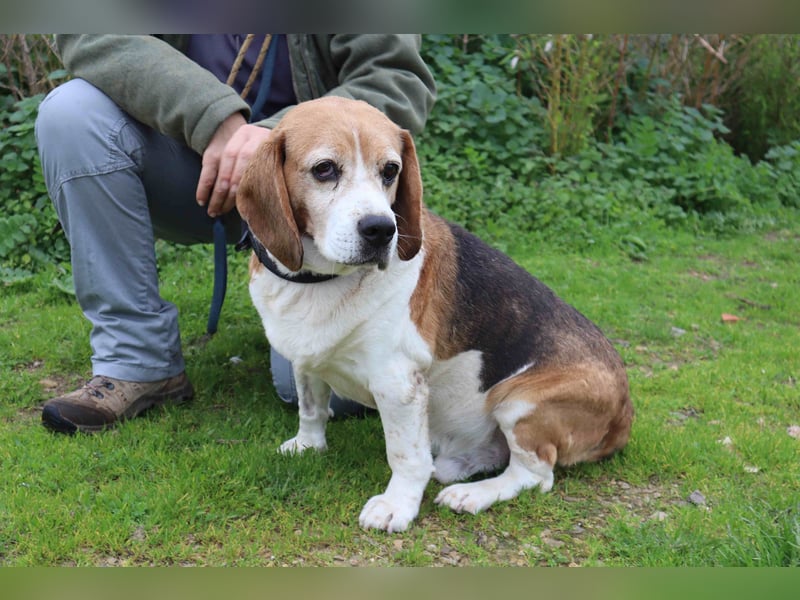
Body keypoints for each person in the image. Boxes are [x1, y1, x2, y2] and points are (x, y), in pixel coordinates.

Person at [35, 34, 436, 434]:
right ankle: (136, 361)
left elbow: (396, 77)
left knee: (337, 385)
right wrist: (215, 118)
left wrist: (276, 135)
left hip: (322, 194)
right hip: (188, 167)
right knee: (71, 113)